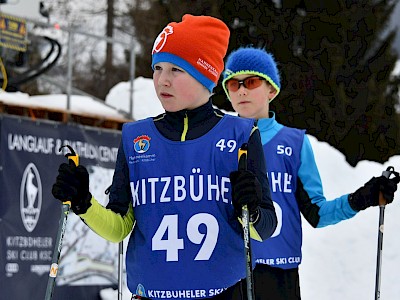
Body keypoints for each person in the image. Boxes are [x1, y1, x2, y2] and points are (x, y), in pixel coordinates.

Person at [52, 16, 277, 300]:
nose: (162, 80)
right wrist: (84, 203)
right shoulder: (136, 138)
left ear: (204, 73)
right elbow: (119, 228)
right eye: (157, 68)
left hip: (223, 293)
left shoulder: (240, 135)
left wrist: (252, 211)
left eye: (176, 69)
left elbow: (265, 228)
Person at [221, 46, 400, 300]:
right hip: (230, 274)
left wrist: (362, 197)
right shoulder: (219, 141)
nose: (241, 90)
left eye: (251, 82)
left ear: (271, 90)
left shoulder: (294, 144)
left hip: (279, 275)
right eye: (232, 84)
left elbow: (317, 213)